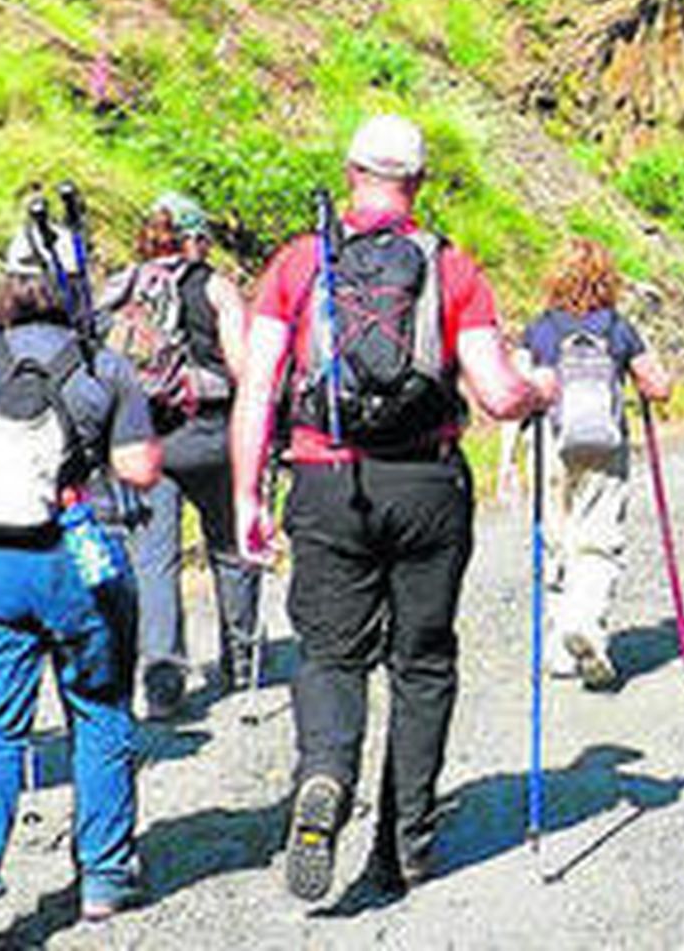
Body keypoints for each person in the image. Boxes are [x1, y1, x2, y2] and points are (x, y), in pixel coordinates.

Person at [230, 114, 556, 899]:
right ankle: (404, 846)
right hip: (427, 484)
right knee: (422, 662)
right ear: (417, 180)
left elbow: (259, 386)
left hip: (325, 479)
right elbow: (498, 391)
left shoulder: (299, 262)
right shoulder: (451, 266)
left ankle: (327, 774)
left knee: (331, 653)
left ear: (350, 171)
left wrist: (247, 495)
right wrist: (538, 386)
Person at [0, 218, 161, 947]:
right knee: (97, 709)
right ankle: (103, 876)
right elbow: (140, 470)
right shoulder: (103, 366)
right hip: (74, 560)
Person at [100, 194, 259, 719]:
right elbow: (243, 366)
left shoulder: (124, 285)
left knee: (154, 560)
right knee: (230, 546)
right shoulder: (214, 286)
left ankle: (163, 677)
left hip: (146, 437)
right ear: (194, 237)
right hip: (212, 432)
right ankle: (241, 657)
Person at [507, 238, 674, 690]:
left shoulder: (539, 329)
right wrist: (655, 380)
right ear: (607, 279)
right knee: (598, 542)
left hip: (551, 442)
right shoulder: (618, 328)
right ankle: (587, 626)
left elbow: (517, 390)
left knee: (557, 540)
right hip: (605, 444)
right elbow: (656, 387)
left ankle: (562, 650)